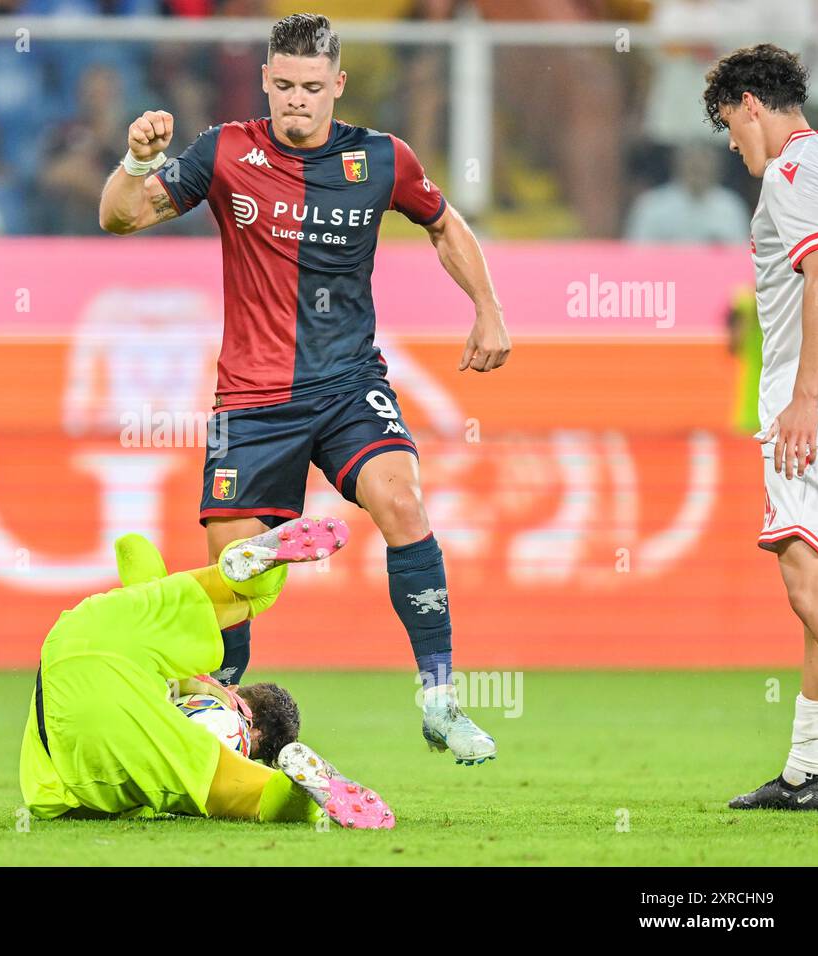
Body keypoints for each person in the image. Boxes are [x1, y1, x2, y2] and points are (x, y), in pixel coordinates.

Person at [97, 13, 509, 766]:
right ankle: (216, 719)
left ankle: (441, 700)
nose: (296, 100)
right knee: (232, 579)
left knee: (405, 502)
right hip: (252, 402)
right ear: (264, 81)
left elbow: (446, 225)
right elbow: (118, 218)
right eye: (283, 85)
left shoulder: (381, 160)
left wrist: (488, 310)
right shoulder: (224, 152)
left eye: (311, 88)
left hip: (349, 386)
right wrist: (132, 160)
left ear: (337, 86)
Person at [20, 515, 396, 829]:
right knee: (243, 792)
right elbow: (208, 747)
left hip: (77, 628)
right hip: (89, 751)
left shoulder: (196, 677)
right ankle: (298, 791)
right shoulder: (227, 726)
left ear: (241, 694)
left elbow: (131, 546)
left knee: (180, 595)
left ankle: (244, 576)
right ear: (255, 729)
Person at [703, 43, 818, 810]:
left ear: (751, 103)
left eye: (729, 124)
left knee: (801, 575)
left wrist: (805, 394)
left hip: (805, 402)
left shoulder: (791, 171)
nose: (733, 144)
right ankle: (807, 771)